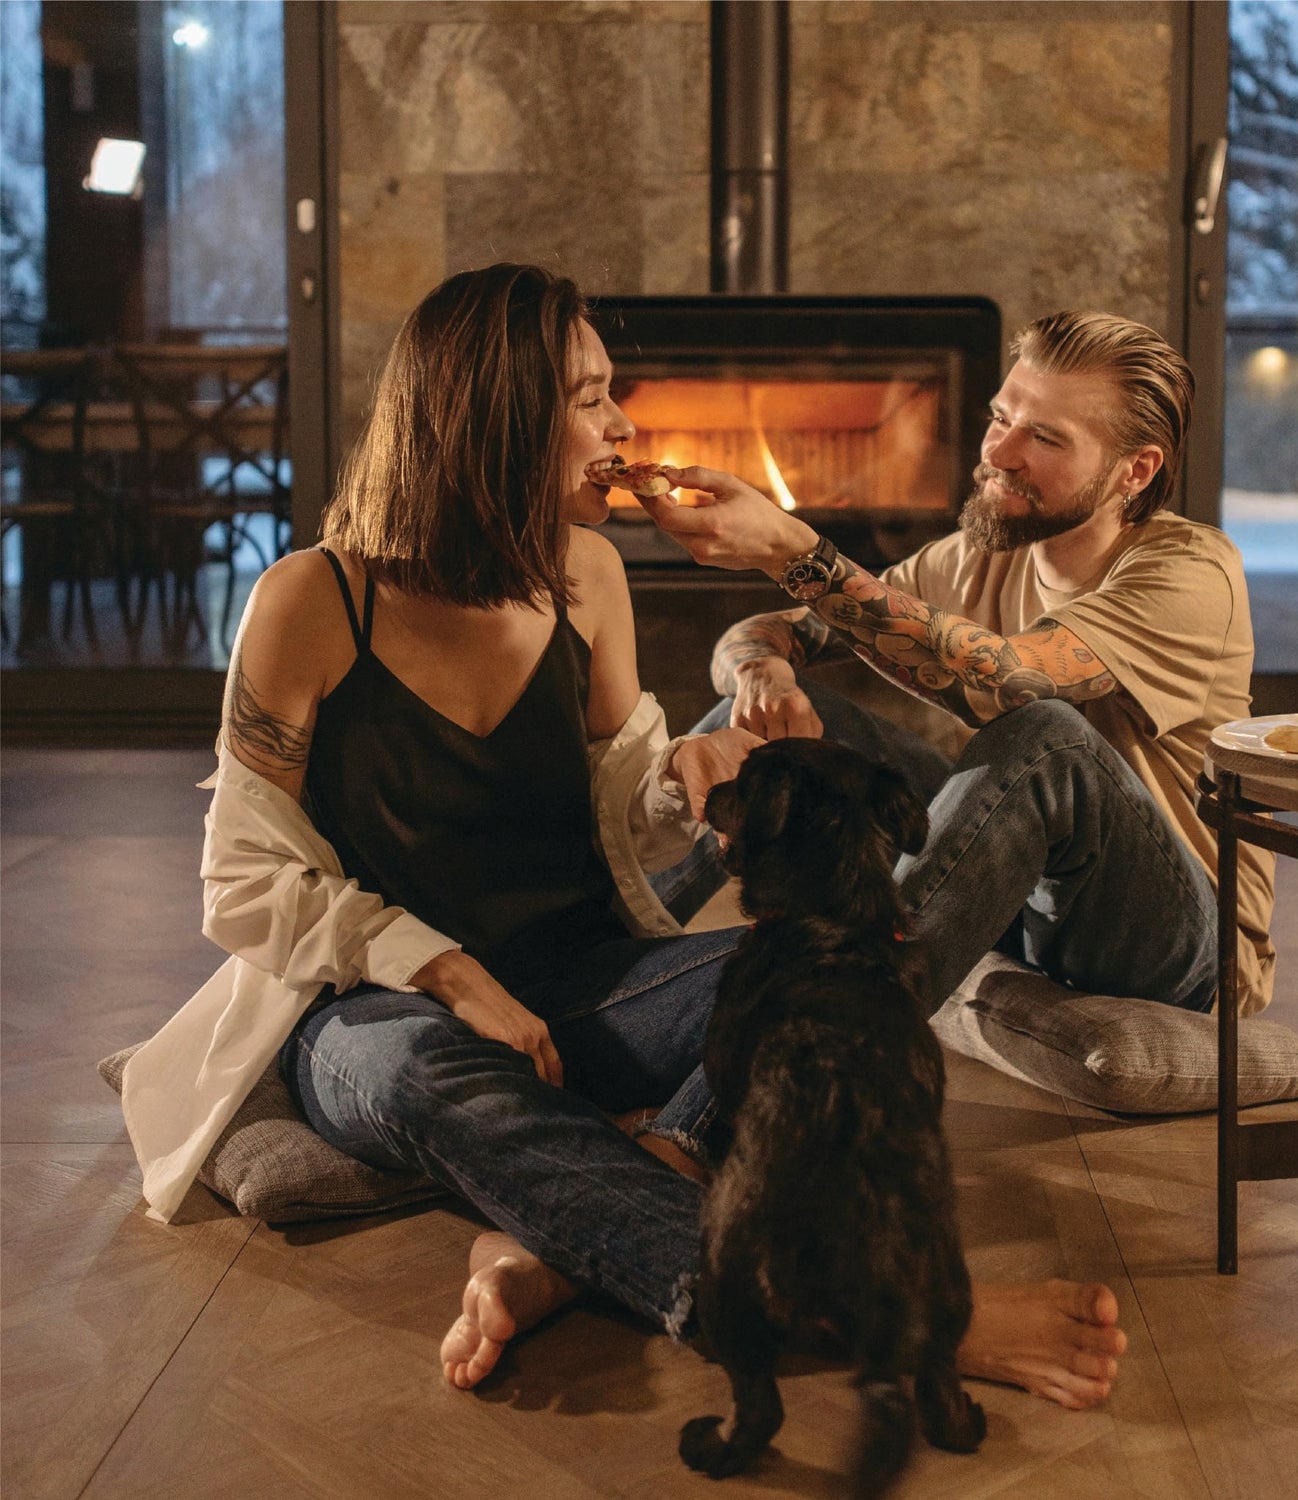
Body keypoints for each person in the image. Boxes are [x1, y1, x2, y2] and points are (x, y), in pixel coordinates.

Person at [117, 266, 1128, 1413]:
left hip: (582, 987)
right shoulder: (315, 599)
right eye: (588, 396)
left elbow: (619, 805)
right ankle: (868, 1302)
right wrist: (439, 969)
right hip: (370, 1010)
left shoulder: (586, 576)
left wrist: (680, 776)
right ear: (493, 416)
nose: (623, 424)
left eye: (615, 391)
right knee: (409, 1071)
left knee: (817, 966)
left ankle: (557, 1245)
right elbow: (240, 884)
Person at [637, 309, 1276, 1023]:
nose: (998, 453)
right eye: (1002, 417)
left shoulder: (1191, 571)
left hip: (1173, 944)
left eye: (1044, 437)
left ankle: (841, 1023)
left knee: (1043, 735)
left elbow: (1007, 678)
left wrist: (794, 551)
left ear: (1137, 469)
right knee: (755, 721)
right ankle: (602, 962)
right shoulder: (979, 554)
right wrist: (761, 672)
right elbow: (772, 632)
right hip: (1025, 904)